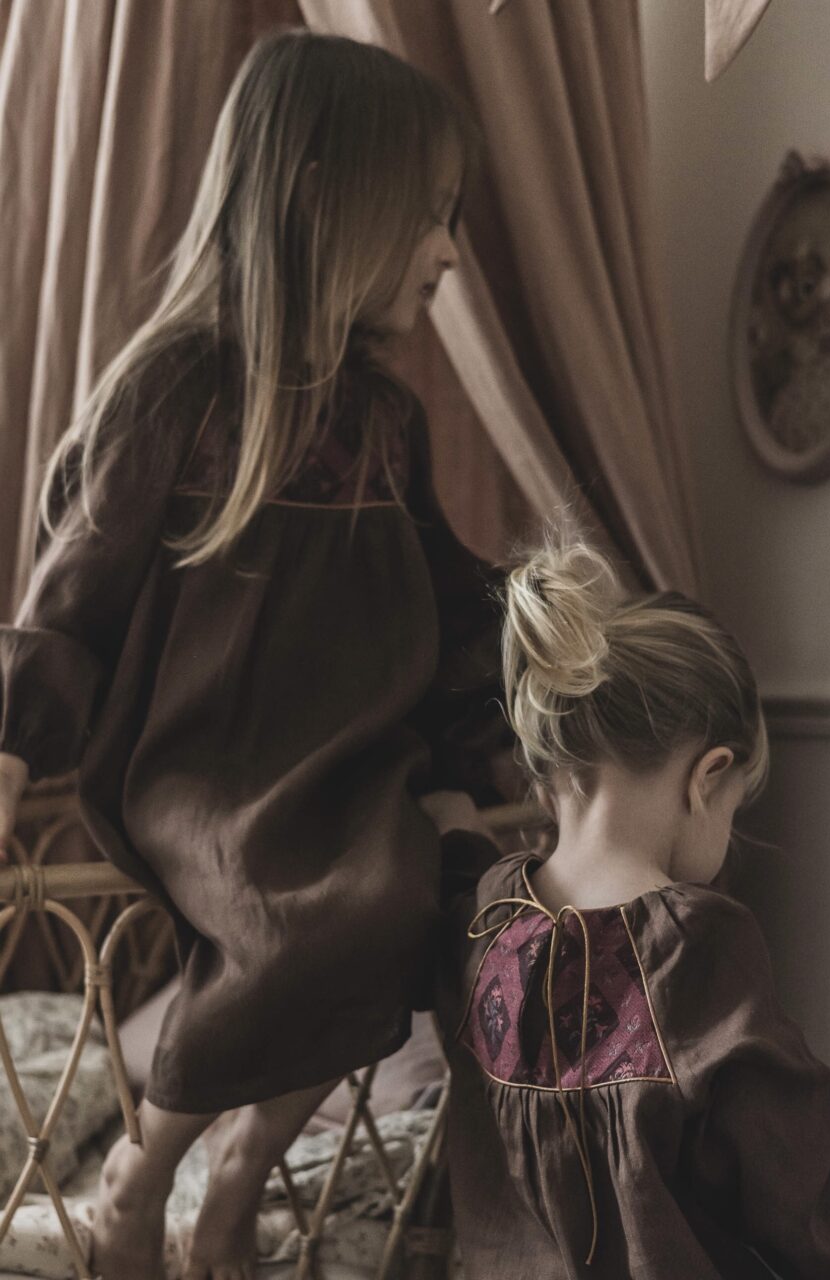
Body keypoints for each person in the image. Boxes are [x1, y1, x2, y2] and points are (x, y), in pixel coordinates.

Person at [0, 31, 504, 1280]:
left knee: (422, 895)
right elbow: (70, 603)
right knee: (309, 907)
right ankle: (143, 1170)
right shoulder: (175, 391)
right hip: (202, 771)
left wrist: (481, 753)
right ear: (323, 198)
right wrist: (9, 750)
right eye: (430, 214)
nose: (448, 250)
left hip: (347, 766)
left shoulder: (386, 420)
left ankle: (238, 1167)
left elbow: (452, 613)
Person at [437, 534, 830, 1279]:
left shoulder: (491, 915)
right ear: (707, 777)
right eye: (734, 805)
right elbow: (796, 1186)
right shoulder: (690, 948)